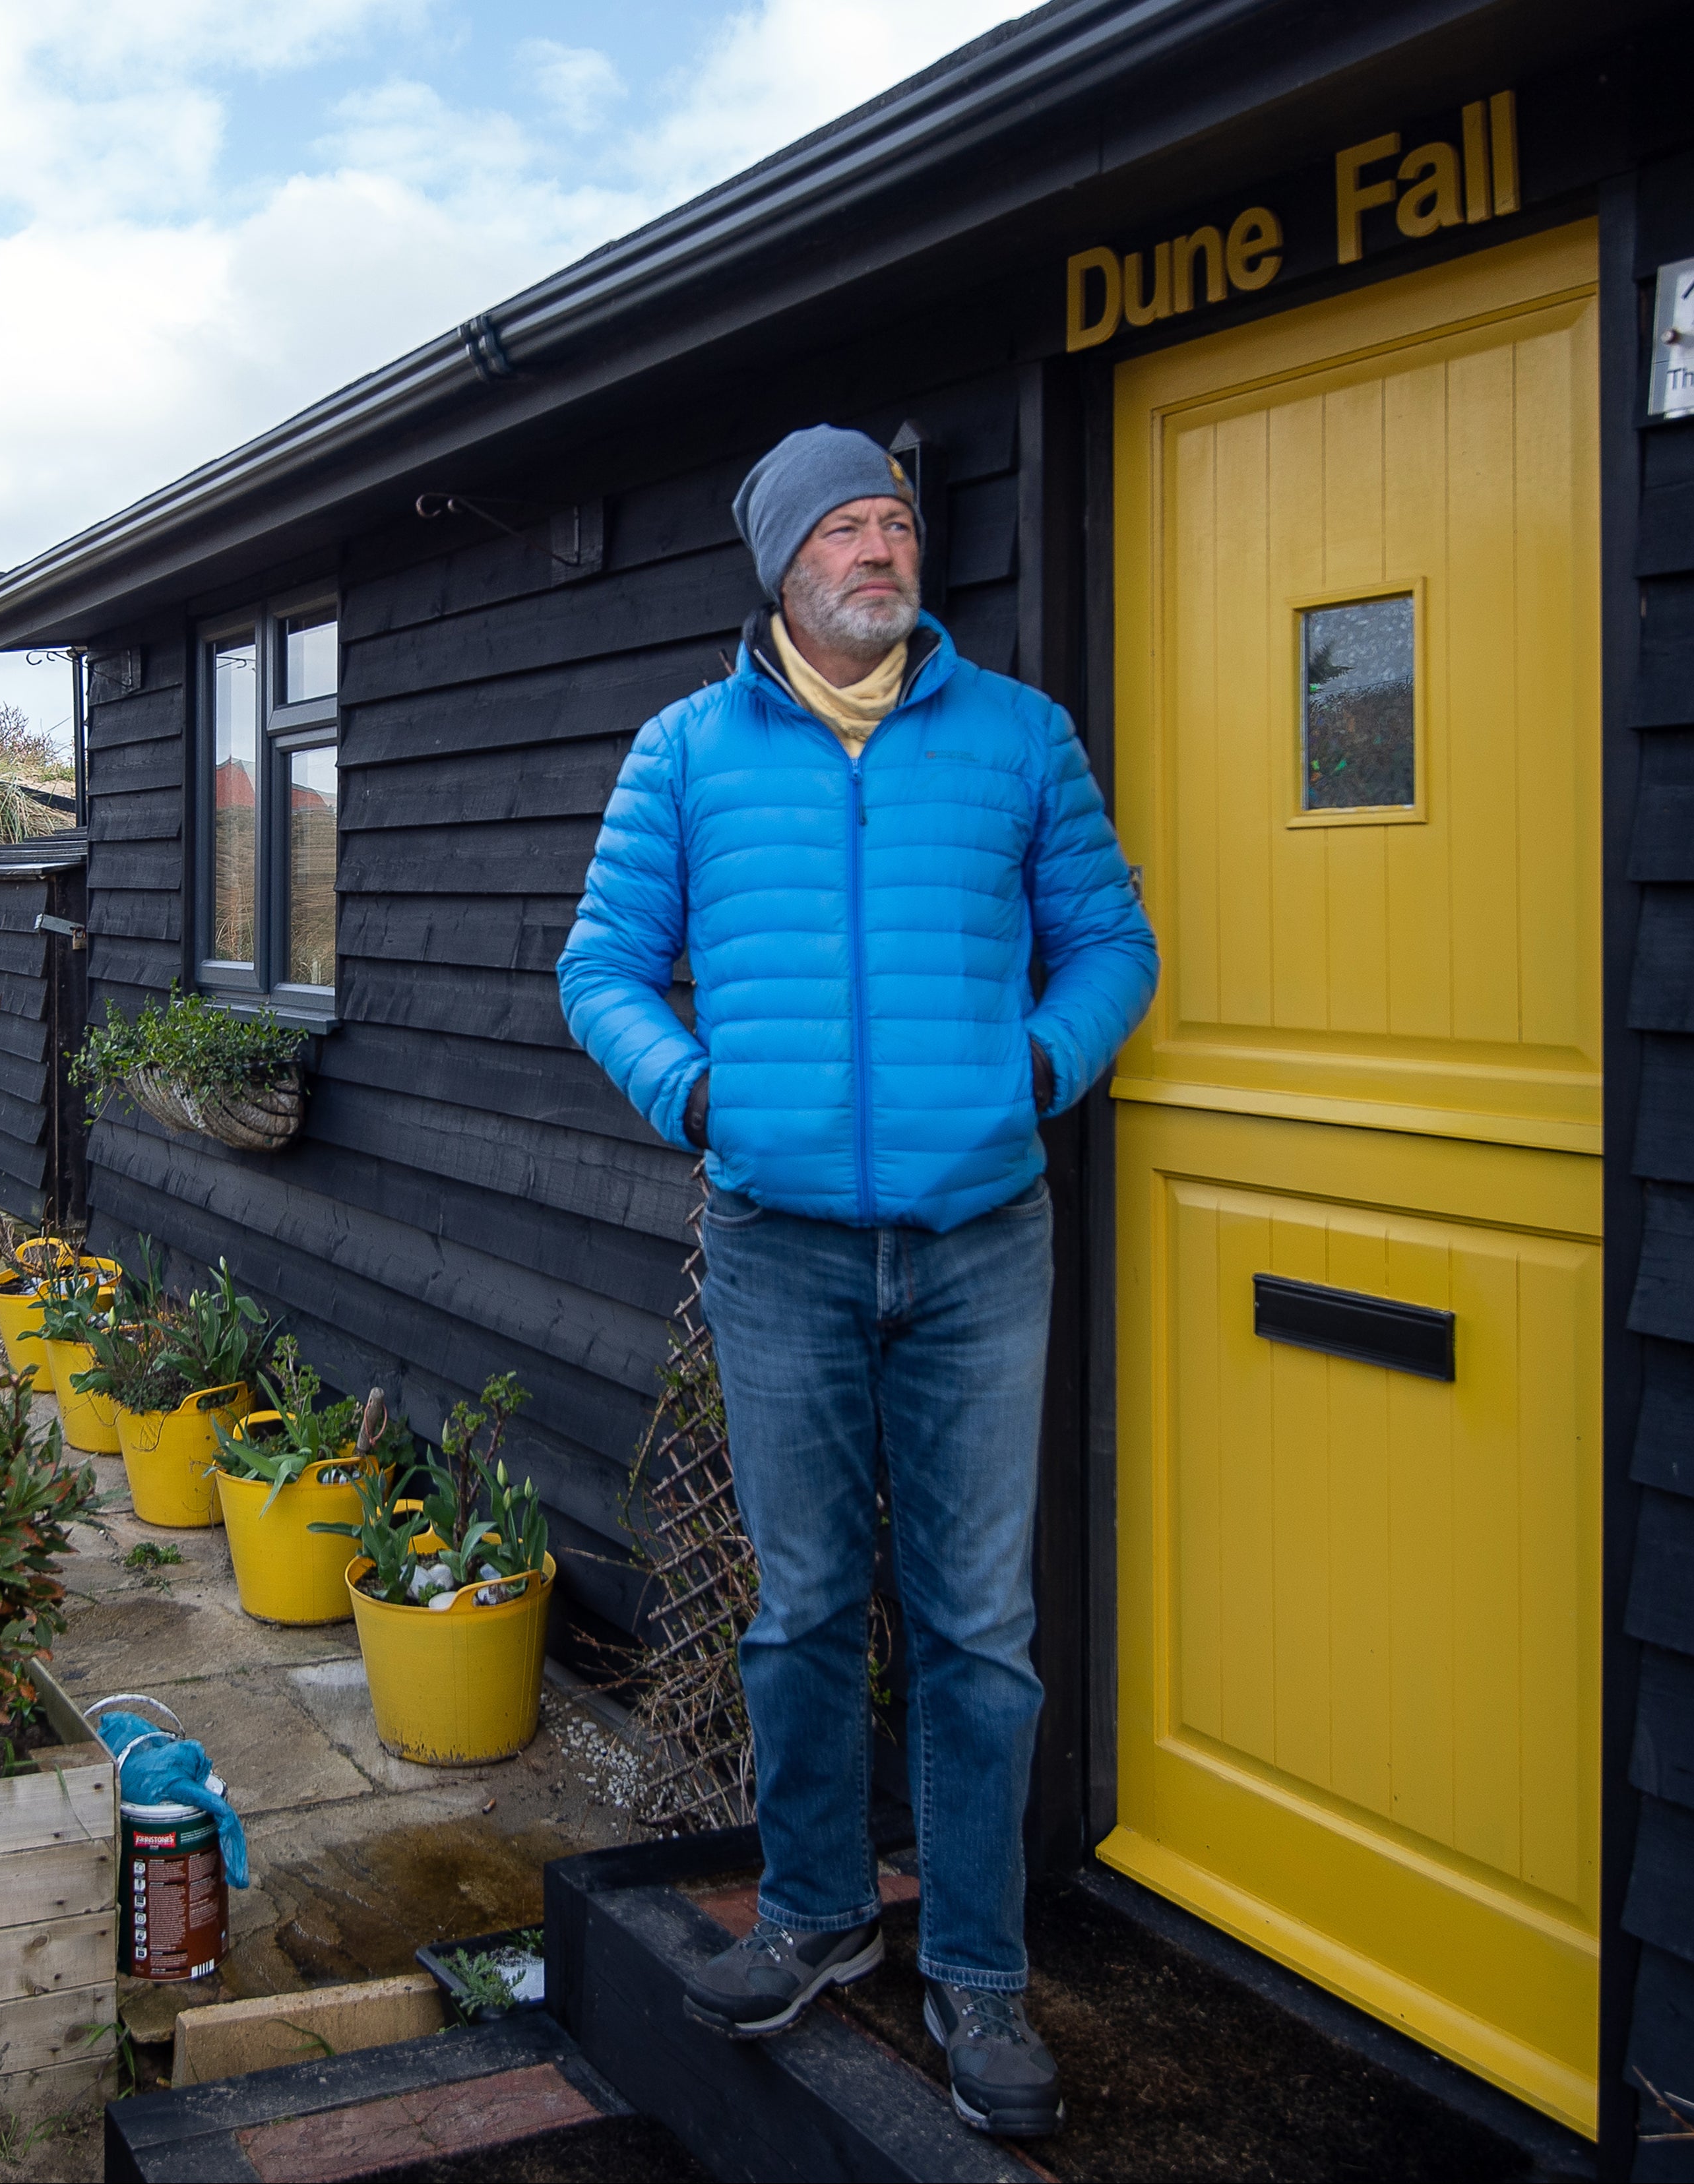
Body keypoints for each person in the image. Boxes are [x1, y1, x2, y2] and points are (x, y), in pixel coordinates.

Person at [556, 424, 1158, 2140]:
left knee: (979, 1628)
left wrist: (1034, 1071)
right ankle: (816, 1914)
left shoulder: (1016, 737)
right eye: (842, 528)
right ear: (780, 565)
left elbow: (1112, 942)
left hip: (980, 1239)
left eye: (895, 522)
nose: (879, 549)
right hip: (776, 1245)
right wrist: (695, 1091)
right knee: (803, 1606)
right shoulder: (684, 753)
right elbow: (598, 964)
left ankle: (976, 1970)